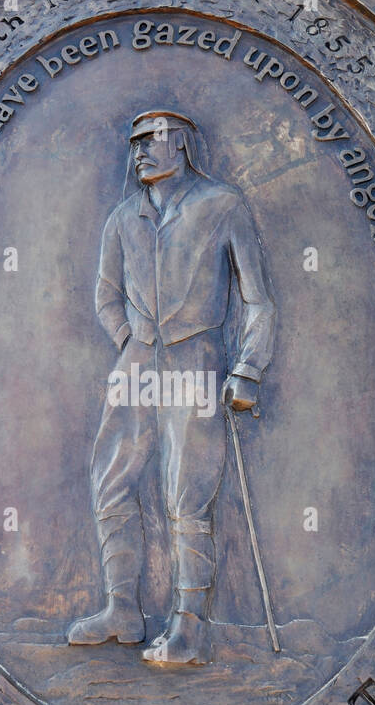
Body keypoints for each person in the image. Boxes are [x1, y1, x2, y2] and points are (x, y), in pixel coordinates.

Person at [67, 110, 275, 666]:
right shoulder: (122, 217)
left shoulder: (222, 205)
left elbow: (257, 299)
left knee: (188, 493)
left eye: (150, 142)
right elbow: (105, 293)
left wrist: (248, 368)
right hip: (137, 364)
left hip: (196, 359)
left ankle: (189, 625)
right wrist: (127, 341)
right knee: (111, 481)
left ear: (180, 145)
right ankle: (122, 609)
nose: (138, 153)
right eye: (133, 144)